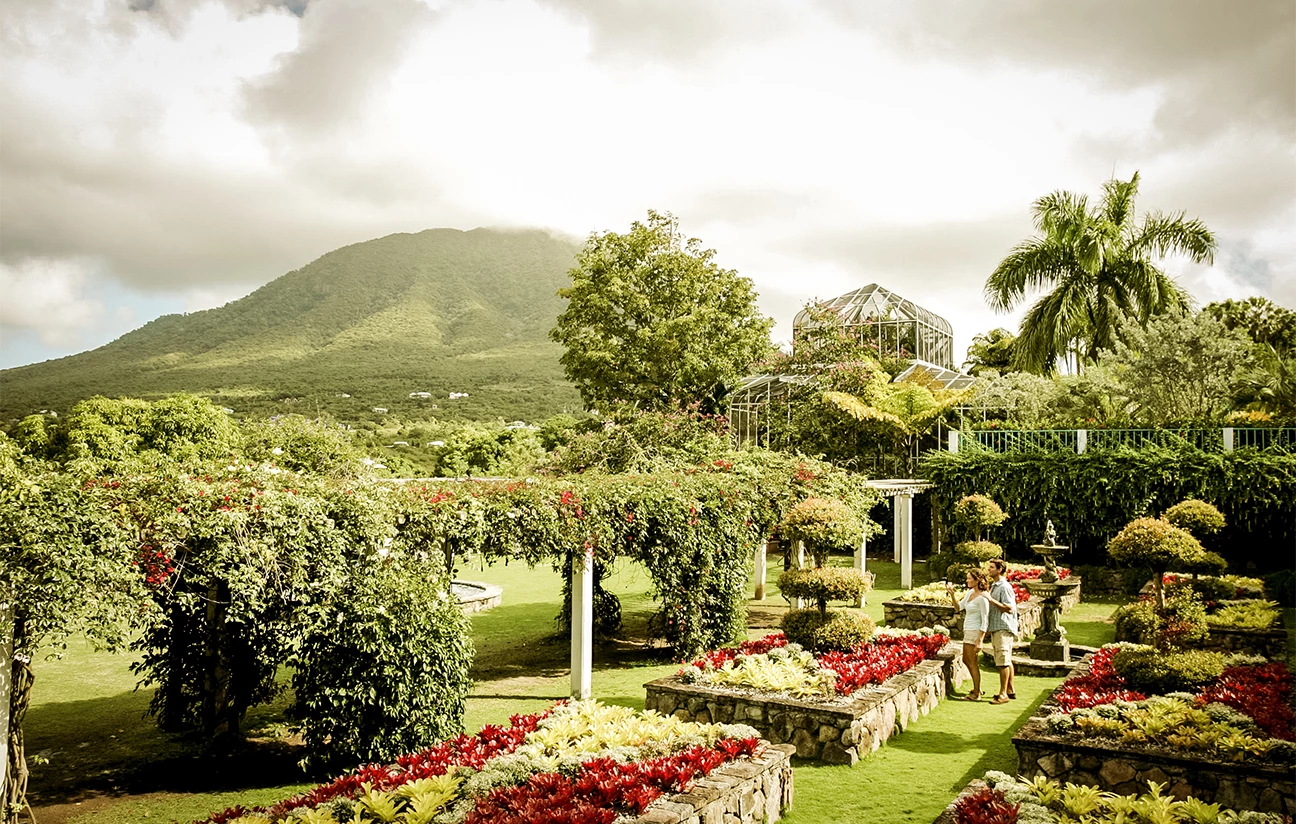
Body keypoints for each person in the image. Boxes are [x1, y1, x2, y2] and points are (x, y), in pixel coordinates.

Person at [946, 568, 991, 701]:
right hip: (968, 630)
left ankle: (976, 693)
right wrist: (952, 594)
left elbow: (985, 620)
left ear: (977, 580)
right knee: (970, 661)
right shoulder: (971, 592)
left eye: (969, 578)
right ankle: (977, 688)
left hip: (975, 632)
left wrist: (980, 640)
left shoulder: (983, 598)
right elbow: (958, 607)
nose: (967, 580)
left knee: (970, 661)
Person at [984, 558, 1019, 705]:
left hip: (1003, 627)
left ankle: (1003, 694)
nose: (989, 569)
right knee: (1006, 660)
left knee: (1002, 662)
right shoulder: (995, 585)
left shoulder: (1004, 587)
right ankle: (1010, 690)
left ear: (1000, 569)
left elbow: (1009, 608)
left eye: (992, 567)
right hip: (997, 627)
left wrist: (990, 599)